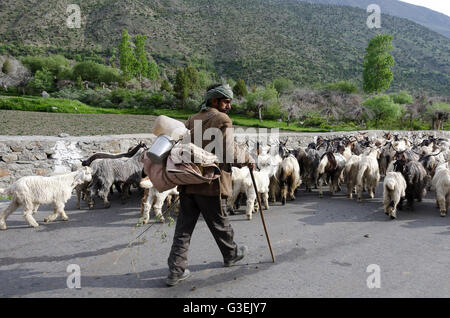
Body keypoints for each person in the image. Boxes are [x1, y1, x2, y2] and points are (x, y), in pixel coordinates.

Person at [166, 83, 254, 287]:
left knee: (183, 230)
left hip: (188, 183)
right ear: (214, 100)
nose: (229, 106)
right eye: (226, 101)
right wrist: (248, 158)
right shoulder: (222, 119)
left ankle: (175, 271)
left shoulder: (192, 119)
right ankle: (231, 254)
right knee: (220, 224)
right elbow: (229, 153)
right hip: (210, 184)